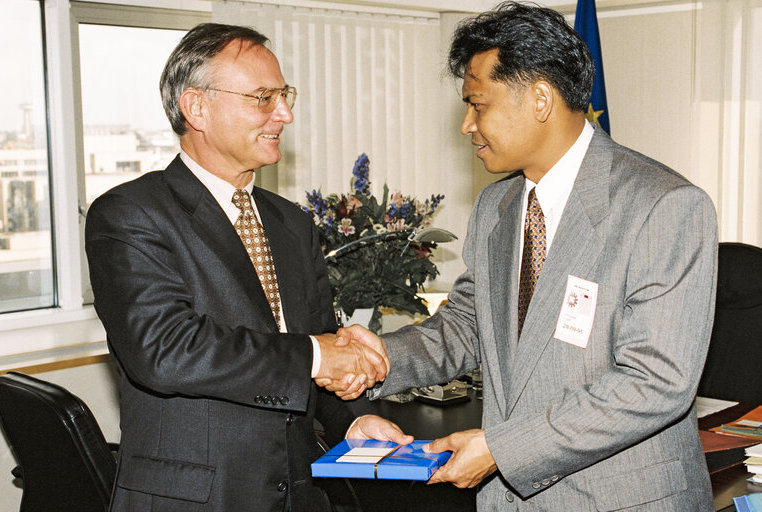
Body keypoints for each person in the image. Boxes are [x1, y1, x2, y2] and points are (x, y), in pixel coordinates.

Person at [326, 2, 718, 510]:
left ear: (539, 98)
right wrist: (379, 359)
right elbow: (468, 324)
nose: (467, 124)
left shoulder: (662, 206)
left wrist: (502, 449)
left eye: (478, 104)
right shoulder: (497, 206)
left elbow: (655, 383)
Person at [85, 23, 409, 512]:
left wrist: (352, 422)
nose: (286, 114)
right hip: (193, 501)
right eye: (263, 97)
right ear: (196, 107)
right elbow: (165, 349)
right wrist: (318, 357)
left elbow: (319, 343)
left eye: (284, 95)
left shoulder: (292, 223)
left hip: (300, 494)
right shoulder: (130, 214)